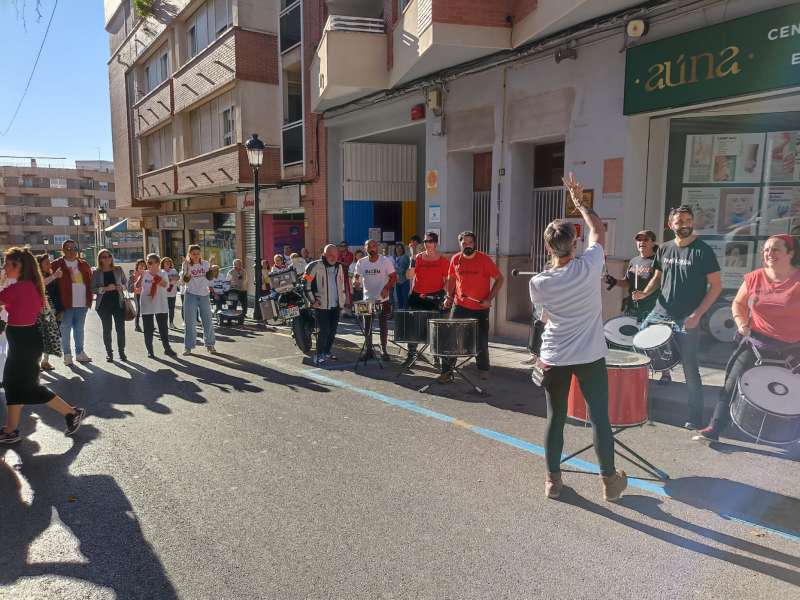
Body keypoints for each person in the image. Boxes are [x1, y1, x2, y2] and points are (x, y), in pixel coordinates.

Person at [528, 173, 627, 501]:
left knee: (555, 418)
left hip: (555, 356)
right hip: (590, 355)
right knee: (599, 418)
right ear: (575, 242)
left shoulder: (539, 283)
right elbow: (599, 230)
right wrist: (580, 203)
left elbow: (543, 318)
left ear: (547, 247)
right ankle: (609, 481)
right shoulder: (590, 265)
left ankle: (553, 482)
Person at [694, 234, 800, 442]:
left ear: (790, 253)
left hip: (792, 347)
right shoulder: (755, 277)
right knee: (732, 382)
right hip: (757, 341)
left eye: (776, 249)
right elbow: (738, 303)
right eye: (766, 249)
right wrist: (742, 324)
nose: (769, 253)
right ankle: (715, 427)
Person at [633, 205, 722, 429]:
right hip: (659, 313)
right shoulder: (664, 248)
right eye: (679, 221)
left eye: (688, 220)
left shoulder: (702, 250)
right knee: (637, 352)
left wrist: (698, 315)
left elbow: (716, 287)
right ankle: (635, 404)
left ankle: (695, 417)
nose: (684, 225)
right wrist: (645, 293)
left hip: (686, 318)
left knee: (690, 368)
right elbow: (657, 277)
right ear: (670, 225)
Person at [0, 247, 85, 444]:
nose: (4, 267)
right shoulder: (29, 285)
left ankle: (72, 412)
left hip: (24, 344)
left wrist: (2, 281)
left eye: (7, 264)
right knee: (12, 384)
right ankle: (11, 429)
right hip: (25, 343)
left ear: (19, 266)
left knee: (27, 387)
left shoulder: (21, 287)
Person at [605, 230, 670, 384]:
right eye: (639, 240)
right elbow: (627, 282)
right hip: (632, 308)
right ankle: (634, 371)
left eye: (645, 240)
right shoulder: (634, 261)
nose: (641, 243)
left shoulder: (658, 261)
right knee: (630, 340)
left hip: (652, 308)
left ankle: (665, 372)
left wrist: (645, 294)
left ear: (653, 242)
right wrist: (614, 281)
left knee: (654, 342)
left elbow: (659, 282)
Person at [440, 231, 505, 382]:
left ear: (474, 244)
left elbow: (500, 279)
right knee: (452, 338)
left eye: (470, 242)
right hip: (460, 305)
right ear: (460, 244)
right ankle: (447, 371)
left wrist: (489, 299)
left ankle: (483, 368)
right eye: (464, 243)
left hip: (480, 308)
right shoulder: (455, 259)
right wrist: (449, 296)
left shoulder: (484, 259)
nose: (467, 245)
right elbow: (451, 278)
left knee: (481, 340)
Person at [403, 231, 449, 367]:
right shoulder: (417, 258)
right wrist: (412, 257)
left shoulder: (443, 260)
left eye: (430, 241)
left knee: (435, 328)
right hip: (417, 296)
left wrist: (444, 295)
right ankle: (411, 355)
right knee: (413, 328)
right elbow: (409, 276)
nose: (427, 244)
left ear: (436, 243)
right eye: (425, 241)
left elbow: (447, 281)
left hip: (435, 297)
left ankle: (436, 357)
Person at [50, 239, 94, 365]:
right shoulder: (56, 264)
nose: (72, 251)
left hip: (82, 303)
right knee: (65, 330)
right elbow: (50, 283)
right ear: (62, 251)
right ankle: (67, 355)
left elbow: (90, 281)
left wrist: (89, 300)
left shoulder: (83, 264)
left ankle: (80, 353)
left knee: (79, 329)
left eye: (74, 248)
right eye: (68, 249)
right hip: (65, 304)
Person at [305, 244, 350, 365]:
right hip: (321, 305)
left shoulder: (339, 266)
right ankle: (319, 354)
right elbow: (306, 284)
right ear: (324, 254)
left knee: (333, 331)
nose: (333, 257)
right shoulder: (314, 265)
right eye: (330, 255)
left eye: (335, 255)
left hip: (336, 304)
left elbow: (341, 285)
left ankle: (327, 351)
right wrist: (313, 301)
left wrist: (343, 301)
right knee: (324, 330)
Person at [354, 239, 397, 361]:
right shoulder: (361, 262)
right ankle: (369, 351)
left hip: (382, 299)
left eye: (373, 246)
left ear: (377, 247)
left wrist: (386, 288)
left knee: (383, 324)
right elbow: (356, 277)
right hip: (366, 298)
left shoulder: (385, 261)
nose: (371, 248)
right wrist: (355, 282)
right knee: (367, 326)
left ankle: (384, 350)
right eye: (369, 247)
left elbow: (393, 277)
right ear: (365, 248)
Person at [136, 253, 177, 359]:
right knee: (148, 329)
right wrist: (141, 276)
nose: (147, 265)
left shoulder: (163, 273)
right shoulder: (144, 273)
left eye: (150, 263)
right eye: (147, 262)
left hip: (160, 304)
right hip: (147, 304)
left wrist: (155, 277)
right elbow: (136, 286)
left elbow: (166, 285)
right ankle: (150, 351)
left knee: (163, 329)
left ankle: (167, 348)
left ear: (157, 263)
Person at [91, 249, 127, 362]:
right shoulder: (96, 272)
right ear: (100, 259)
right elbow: (92, 289)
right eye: (104, 257)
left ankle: (122, 352)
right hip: (103, 305)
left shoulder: (118, 269)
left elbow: (126, 283)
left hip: (118, 303)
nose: (107, 258)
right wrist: (105, 288)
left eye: (109, 256)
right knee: (107, 329)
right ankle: (109, 353)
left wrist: (121, 287)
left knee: (120, 329)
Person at [180, 245, 216, 355]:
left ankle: (210, 344)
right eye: (193, 254)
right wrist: (187, 270)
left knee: (207, 320)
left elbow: (209, 278)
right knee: (190, 322)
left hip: (204, 294)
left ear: (200, 254)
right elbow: (184, 281)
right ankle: (188, 347)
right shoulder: (186, 264)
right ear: (189, 254)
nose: (196, 256)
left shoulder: (205, 263)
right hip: (191, 294)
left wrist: (211, 268)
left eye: (198, 253)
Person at [36, 254, 63, 371]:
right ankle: (36, 363)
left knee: (49, 336)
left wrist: (60, 310)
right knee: (40, 337)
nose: (49, 265)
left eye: (49, 262)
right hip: (40, 312)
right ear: (39, 265)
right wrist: (54, 276)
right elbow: (40, 285)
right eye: (46, 263)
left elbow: (57, 294)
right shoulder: (36, 277)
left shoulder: (51, 275)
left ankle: (45, 361)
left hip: (52, 311)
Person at [161, 257, 180, 328]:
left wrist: (169, 279)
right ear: (163, 263)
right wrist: (172, 278)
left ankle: (171, 323)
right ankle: (164, 324)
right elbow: (162, 282)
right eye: (166, 262)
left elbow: (178, 277)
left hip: (173, 293)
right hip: (164, 294)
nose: (168, 263)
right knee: (164, 310)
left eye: (169, 261)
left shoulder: (173, 270)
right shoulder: (161, 271)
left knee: (171, 309)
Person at [129, 258, 146, 333]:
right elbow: (130, 287)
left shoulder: (147, 273)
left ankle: (149, 325)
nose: (142, 266)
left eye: (143, 265)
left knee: (146, 310)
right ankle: (137, 326)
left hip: (146, 295)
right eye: (141, 265)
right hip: (137, 295)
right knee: (138, 310)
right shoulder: (134, 275)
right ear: (137, 266)